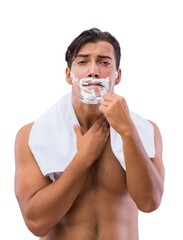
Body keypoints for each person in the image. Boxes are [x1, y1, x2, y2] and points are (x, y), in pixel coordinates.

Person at [14, 27, 165, 240]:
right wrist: (83, 158)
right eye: (83, 62)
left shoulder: (144, 130)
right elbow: (36, 223)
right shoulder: (32, 135)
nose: (93, 71)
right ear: (69, 75)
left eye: (104, 62)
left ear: (117, 75)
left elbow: (150, 202)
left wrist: (127, 131)